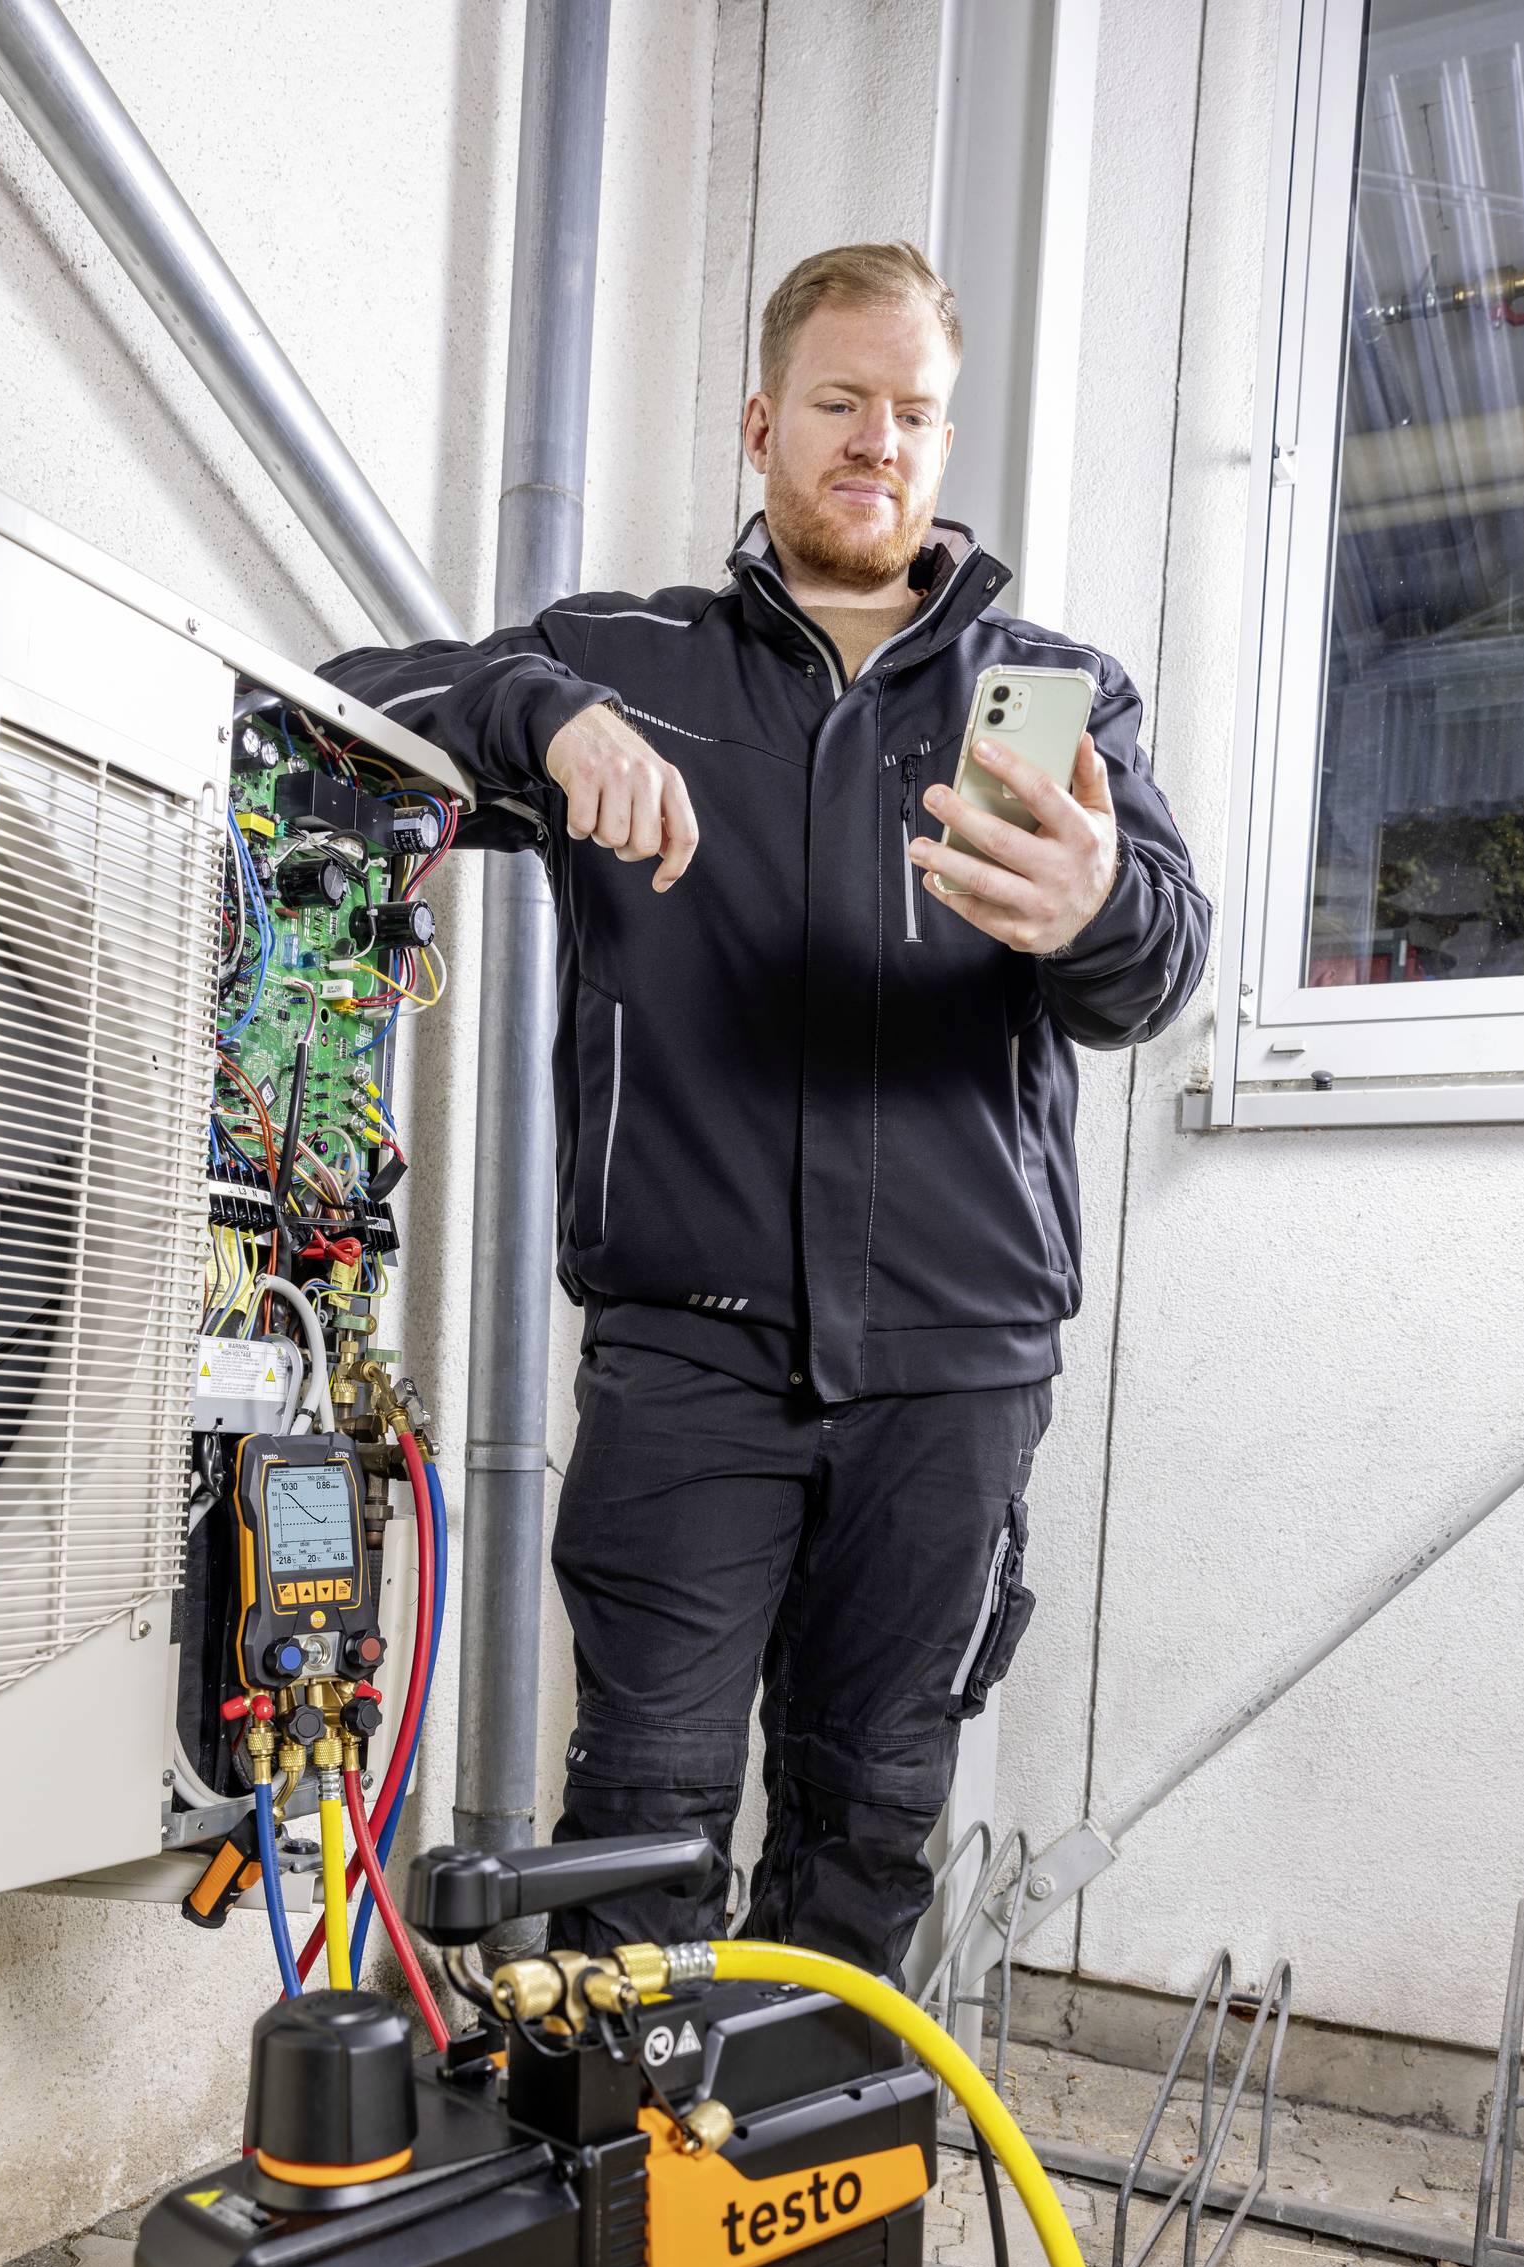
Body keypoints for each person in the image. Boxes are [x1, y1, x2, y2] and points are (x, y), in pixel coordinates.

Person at [324, 238, 1209, 1980]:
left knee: (870, 1814)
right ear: (759, 422)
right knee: (639, 1821)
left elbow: (1156, 976)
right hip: (689, 1361)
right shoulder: (628, 659)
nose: (876, 439)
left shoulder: (1053, 694)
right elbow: (349, 713)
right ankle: (650, 2235)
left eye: (913, 413)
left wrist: (1094, 904)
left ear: (940, 447)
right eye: (839, 401)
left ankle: (823, 2211)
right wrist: (542, 715)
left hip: (957, 1365)